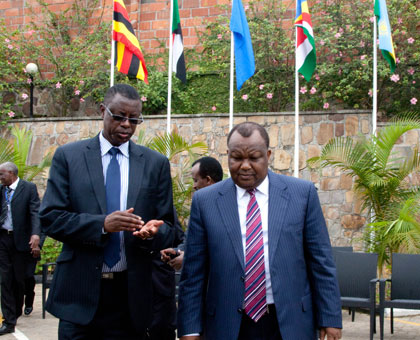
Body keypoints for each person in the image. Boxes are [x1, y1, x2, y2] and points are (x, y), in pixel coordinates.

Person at [177, 122, 342, 340]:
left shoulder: (302, 195)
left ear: (268, 155)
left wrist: (330, 317)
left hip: (289, 323)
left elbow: (320, 261)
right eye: (237, 158)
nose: (245, 166)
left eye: (254, 158)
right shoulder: (205, 201)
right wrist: (189, 328)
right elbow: (193, 273)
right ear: (228, 156)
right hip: (227, 325)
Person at [39, 84, 175, 340]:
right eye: (119, 116)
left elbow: (170, 226)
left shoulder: (155, 164)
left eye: (134, 120)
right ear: (102, 110)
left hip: (131, 297)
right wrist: (102, 225)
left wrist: (153, 233)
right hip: (79, 297)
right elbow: (50, 218)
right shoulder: (69, 157)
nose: (126, 124)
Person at [161, 156, 224, 270]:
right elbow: (190, 240)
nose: (194, 186)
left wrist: (187, 258)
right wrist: (177, 252)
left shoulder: (228, 208)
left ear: (208, 180)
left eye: (196, 180)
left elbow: (219, 248)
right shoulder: (199, 207)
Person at [0, 162, 41, 335]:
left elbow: (35, 212)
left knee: (19, 280)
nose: (0, 177)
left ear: (11, 173)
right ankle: (8, 321)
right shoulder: (1, 190)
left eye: (2, 174)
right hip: (3, 238)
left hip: (20, 240)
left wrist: (36, 234)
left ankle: (16, 311)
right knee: (4, 279)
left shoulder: (28, 188)